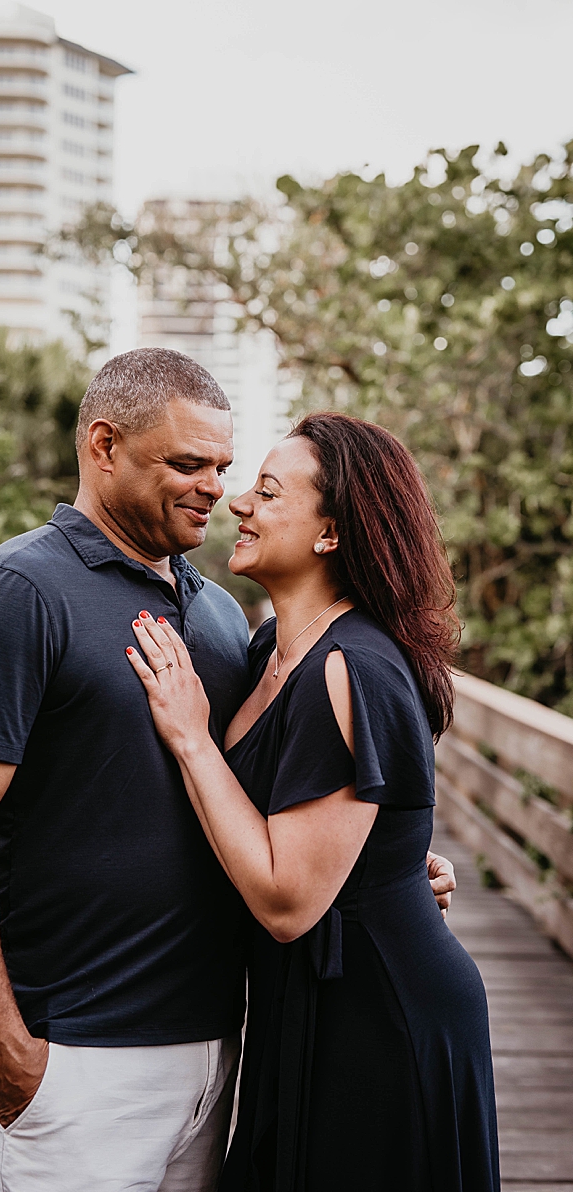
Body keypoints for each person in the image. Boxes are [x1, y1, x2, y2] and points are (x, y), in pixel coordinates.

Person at [0, 347, 457, 1192]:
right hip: (77, 1053)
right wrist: (4, 1047)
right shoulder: (18, 592)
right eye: (188, 464)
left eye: (225, 468)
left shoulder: (222, 617)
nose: (216, 488)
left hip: (221, 1046)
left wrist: (378, 867)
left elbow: (271, 796)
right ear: (105, 446)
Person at [125, 412, 498, 1191]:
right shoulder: (273, 648)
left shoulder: (350, 667)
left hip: (378, 1017)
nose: (237, 503)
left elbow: (288, 902)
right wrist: (390, 864)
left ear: (331, 533)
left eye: (267, 492)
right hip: (301, 1001)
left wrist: (192, 737)